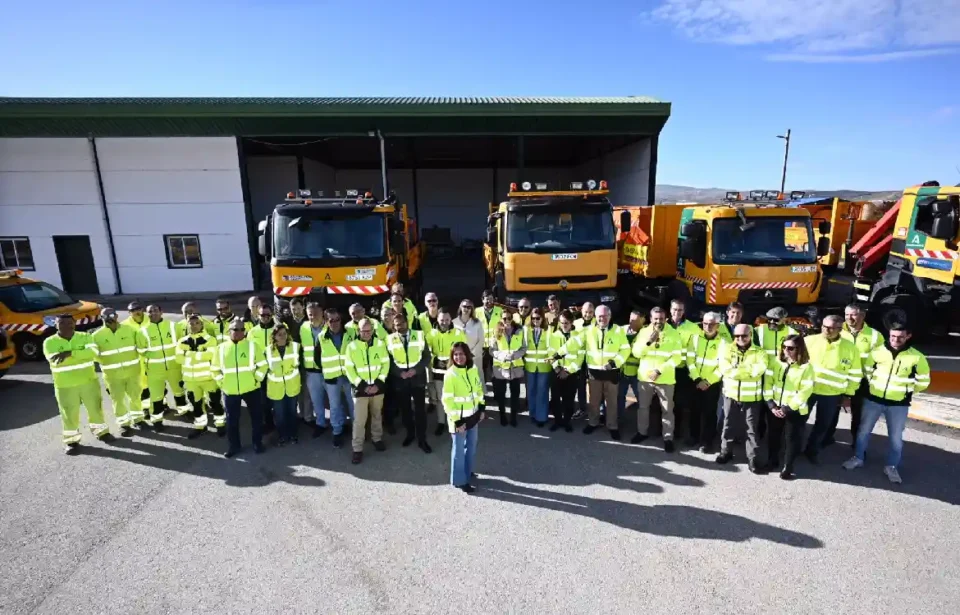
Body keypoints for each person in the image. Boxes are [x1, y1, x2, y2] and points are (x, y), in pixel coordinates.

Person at [843, 322, 931, 484]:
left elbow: (924, 381)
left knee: (895, 437)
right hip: (873, 400)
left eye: (900, 337)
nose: (895, 340)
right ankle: (858, 458)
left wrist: (905, 390)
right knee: (863, 431)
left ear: (908, 337)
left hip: (898, 405)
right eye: (892, 336)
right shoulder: (877, 353)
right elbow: (867, 371)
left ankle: (891, 466)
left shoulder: (917, 357)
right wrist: (874, 386)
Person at [45, 314, 114, 453]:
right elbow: (54, 359)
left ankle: (101, 432)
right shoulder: (49, 342)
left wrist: (69, 353)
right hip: (65, 385)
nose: (66, 326)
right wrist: (81, 354)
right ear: (56, 325)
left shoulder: (85, 336)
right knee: (69, 413)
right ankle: (71, 441)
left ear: (74, 323)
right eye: (62, 323)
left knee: (95, 409)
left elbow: (93, 352)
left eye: (70, 323)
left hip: (88, 382)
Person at [803, 315, 861, 464]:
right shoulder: (809, 341)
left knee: (822, 425)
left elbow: (855, 374)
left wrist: (848, 394)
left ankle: (812, 450)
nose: (826, 330)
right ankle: (794, 449)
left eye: (830, 328)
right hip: (807, 390)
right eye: (824, 326)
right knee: (799, 422)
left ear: (839, 329)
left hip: (831, 394)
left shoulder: (850, 349)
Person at [828, 303, 885, 446]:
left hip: (862, 381)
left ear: (863, 315)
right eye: (847, 314)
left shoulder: (874, 335)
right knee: (831, 411)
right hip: (839, 378)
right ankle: (826, 438)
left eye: (853, 314)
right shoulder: (837, 331)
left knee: (858, 414)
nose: (849, 318)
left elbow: (883, 359)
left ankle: (857, 443)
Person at [716, 324, 769, 473]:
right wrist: (746, 371)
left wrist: (737, 371)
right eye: (737, 336)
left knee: (751, 429)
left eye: (744, 336)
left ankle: (752, 458)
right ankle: (726, 452)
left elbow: (758, 371)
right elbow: (725, 369)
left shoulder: (760, 352)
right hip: (731, 395)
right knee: (728, 425)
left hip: (751, 397)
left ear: (750, 335)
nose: (740, 339)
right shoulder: (726, 349)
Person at [212, 318, 267, 458]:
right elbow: (215, 369)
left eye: (242, 329)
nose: (239, 332)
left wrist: (257, 379)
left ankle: (257, 443)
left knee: (256, 418)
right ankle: (234, 446)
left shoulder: (253, 346)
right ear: (229, 331)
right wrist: (222, 383)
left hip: (251, 389)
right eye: (235, 329)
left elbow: (263, 365)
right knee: (232, 421)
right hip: (230, 391)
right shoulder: (221, 348)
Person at [632, 306, 683, 451]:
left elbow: (677, 358)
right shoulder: (644, 332)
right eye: (655, 319)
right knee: (643, 408)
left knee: (667, 410)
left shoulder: (673, 334)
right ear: (650, 319)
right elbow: (636, 353)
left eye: (661, 319)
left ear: (665, 318)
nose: (658, 322)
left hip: (665, 378)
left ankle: (668, 438)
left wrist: (659, 370)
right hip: (645, 378)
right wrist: (648, 342)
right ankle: (642, 432)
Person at [764, 335, 814, 479]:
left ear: (799, 349)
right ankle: (772, 461)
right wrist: (771, 404)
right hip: (775, 407)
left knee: (791, 439)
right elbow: (768, 382)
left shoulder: (806, 367)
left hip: (795, 410)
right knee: (773, 436)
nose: (786, 350)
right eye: (784, 347)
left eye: (790, 348)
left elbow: (805, 390)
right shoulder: (776, 362)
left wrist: (787, 408)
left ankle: (788, 466)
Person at [136, 304, 191, 430]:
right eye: (150, 312)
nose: (153, 313)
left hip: (174, 367)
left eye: (156, 310)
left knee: (179, 392)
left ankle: (184, 412)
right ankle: (157, 421)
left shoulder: (173, 326)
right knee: (156, 397)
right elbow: (141, 350)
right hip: (155, 370)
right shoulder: (142, 332)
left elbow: (182, 343)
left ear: (161, 312)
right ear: (147, 314)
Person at [343, 318, 390, 464]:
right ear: (358, 331)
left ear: (373, 331)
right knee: (359, 420)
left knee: (377, 415)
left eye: (369, 331)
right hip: (360, 389)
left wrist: (378, 383)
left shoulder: (380, 344)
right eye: (363, 331)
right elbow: (349, 368)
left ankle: (377, 439)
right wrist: (362, 385)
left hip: (377, 388)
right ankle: (357, 449)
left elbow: (385, 364)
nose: (366, 334)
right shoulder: (352, 347)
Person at [582, 305, 630, 441]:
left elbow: (625, 350)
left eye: (604, 316)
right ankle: (593, 423)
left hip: (611, 373)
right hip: (594, 373)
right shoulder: (589, 331)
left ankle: (612, 426)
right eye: (599, 316)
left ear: (610, 316)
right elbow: (575, 343)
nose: (602, 318)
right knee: (594, 401)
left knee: (612, 402)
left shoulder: (618, 331)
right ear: (595, 317)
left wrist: (614, 363)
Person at [443, 341, 485, 494]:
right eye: (455, 354)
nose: (459, 357)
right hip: (459, 420)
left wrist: (481, 407)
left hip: (473, 416)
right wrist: (457, 421)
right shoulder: (450, 374)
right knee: (459, 451)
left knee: (472, 446)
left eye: (461, 354)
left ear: (467, 354)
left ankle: (467, 471)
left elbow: (478, 389)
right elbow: (447, 401)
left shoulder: (472, 369)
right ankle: (460, 480)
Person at [386, 312, 432, 453]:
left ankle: (422, 439)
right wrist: (399, 373)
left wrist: (415, 370)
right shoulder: (389, 339)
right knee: (405, 410)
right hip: (401, 380)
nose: (400, 326)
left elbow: (426, 357)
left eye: (402, 323)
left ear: (407, 322)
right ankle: (410, 434)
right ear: (393, 326)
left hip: (417, 378)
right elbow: (388, 361)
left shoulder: (418, 335)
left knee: (420, 410)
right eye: (397, 324)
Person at [91, 308, 139, 435]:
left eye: (111, 315)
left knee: (135, 397)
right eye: (105, 316)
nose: (109, 318)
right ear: (101, 318)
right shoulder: (97, 336)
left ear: (117, 316)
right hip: (112, 375)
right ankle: (124, 424)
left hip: (132, 371)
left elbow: (139, 346)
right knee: (118, 400)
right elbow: (94, 355)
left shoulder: (129, 330)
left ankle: (138, 419)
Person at [176, 313, 224, 439]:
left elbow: (210, 355)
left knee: (215, 403)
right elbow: (179, 359)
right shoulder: (182, 341)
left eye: (197, 323)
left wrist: (189, 354)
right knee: (196, 406)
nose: (194, 326)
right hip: (191, 381)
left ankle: (220, 425)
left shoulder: (210, 340)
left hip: (209, 379)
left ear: (202, 324)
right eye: (191, 324)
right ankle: (200, 427)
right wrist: (199, 354)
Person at [687, 311, 725, 453]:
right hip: (695, 381)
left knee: (709, 414)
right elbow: (690, 360)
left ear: (717, 326)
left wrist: (708, 381)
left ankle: (707, 442)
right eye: (705, 323)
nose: (708, 326)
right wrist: (697, 379)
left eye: (711, 324)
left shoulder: (723, 343)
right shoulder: (695, 338)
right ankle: (693, 437)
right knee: (694, 411)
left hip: (711, 384)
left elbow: (722, 366)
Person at [317, 308, 355, 449]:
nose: (334, 323)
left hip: (349, 376)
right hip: (332, 379)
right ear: (326, 322)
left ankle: (356, 431)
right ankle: (337, 432)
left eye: (337, 319)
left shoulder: (350, 333)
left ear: (341, 319)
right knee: (335, 406)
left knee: (353, 405)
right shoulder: (321, 337)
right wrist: (326, 373)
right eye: (331, 320)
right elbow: (317, 357)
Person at [426, 308, 466, 435]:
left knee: (455, 397)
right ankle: (441, 422)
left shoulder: (458, 333)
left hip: (454, 371)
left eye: (447, 319)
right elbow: (427, 352)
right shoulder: (431, 334)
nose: (444, 322)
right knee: (440, 398)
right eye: (442, 320)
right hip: (438, 371)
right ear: (437, 319)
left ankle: (455, 421)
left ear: (451, 320)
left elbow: (463, 352)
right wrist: (435, 359)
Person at [668, 299, 701, 445]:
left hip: (683, 370)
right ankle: (669, 431)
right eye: (675, 310)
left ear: (684, 311)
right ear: (670, 310)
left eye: (680, 310)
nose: (677, 313)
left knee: (684, 403)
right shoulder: (663, 325)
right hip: (666, 370)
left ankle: (684, 433)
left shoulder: (693, 328)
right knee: (668, 403)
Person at [265, 324, 302, 446]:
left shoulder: (296, 347)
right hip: (276, 388)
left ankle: (293, 434)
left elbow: (300, 365)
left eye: (284, 334)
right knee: (279, 414)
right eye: (279, 334)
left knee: (292, 412)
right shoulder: (267, 351)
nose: (283, 337)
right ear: (274, 336)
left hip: (292, 386)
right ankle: (282, 435)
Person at [548, 310, 583, 432]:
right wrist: (558, 369)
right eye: (562, 323)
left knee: (569, 399)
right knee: (556, 398)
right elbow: (551, 353)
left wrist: (568, 371)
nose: (563, 325)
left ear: (571, 322)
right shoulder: (554, 335)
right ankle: (557, 421)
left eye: (566, 323)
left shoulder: (578, 335)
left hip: (571, 373)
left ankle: (567, 421)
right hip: (557, 371)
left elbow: (580, 356)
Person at [491, 317, 526, 427]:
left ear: (512, 319)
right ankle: (502, 415)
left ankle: (513, 416)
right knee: (501, 394)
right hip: (500, 367)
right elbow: (492, 350)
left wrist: (515, 355)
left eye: (509, 318)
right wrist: (503, 356)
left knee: (515, 394)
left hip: (515, 366)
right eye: (504, 318)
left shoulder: (519, 331)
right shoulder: (496, 331)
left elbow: (524, 348)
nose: (507, 320)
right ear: (501, 319)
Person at [121, 300, 151, 423]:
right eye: (133, 310)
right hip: (136, 360)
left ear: (142, 309)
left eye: (138, 309)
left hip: (153, 357)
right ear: (129, 313)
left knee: (157, 383)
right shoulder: (124, 325)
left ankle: (161, 404)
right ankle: (146, 408)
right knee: (142, 386)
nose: (136, 312)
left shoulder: (150, 320)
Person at [300, 302, 327, 436]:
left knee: (335, 402)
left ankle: (336, 426)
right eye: (310, 314)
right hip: (312, 372)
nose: (313, 317)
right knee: (316, 402)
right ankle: (320, 424)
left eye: (315, 314)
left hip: (329, 371)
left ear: (322, 313)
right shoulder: (303, 327)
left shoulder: (330, 326)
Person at [250, 303, 278, 434]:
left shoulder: (279, 328)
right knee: (263, 400)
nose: (265, 317)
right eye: (262, 315)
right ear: (258, 315)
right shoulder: (253, 332)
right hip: (261, 370)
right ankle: (269, 423)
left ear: (272, 314)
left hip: (276, 369)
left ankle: (282, 421)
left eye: (268, 314)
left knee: (278, 398)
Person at [523, 308, 552, 427]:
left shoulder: (548, 330)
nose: (535, 320)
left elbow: (551, 347)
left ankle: (542, 417)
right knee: (531, 391)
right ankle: (533, 414)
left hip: (544, 366)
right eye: (533, 318)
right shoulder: (526, 330)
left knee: (542, 392)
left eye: (538, 318)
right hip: (530, 366)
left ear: (542, 319)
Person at [617, 311, 646, 418]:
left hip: (638, 375)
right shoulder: (621, 330)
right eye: (631, 320)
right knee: (619, 398)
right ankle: (619, 422)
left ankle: (642, 426)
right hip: (622, 372)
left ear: (642, 321)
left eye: (635, 321)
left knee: (642, 401)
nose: (631, 323)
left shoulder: (645, 333)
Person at [572, 302, 596, 418]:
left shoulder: (598, 323)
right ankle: (582, 409)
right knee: (580, 385)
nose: (588, 314)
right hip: (580, 360)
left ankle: (596, 411)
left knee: (595, 387)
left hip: (593, 360)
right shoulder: (576, 323)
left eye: (590, 312)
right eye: (586, 312)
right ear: (582, 312)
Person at [476, 290, 504, 380]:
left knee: (497, 371)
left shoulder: (500, 311)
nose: (489, 302)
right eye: (487, 299)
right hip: (482, 347)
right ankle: (482, 392)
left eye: (491, 299)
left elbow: (503, 326)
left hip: (495, 346)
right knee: (481, 371)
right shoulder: (476, 312)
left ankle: (498, 393)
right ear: (482, 300)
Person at [453, 299, 485, 370]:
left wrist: (470, 354)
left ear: (472, 309)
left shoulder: (477, 323)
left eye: (469, 307)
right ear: (460, 307)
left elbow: (481, 340)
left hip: (475, 357)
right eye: (464, 306)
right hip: (459, 359)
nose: (466, 309)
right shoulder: (453, 323)